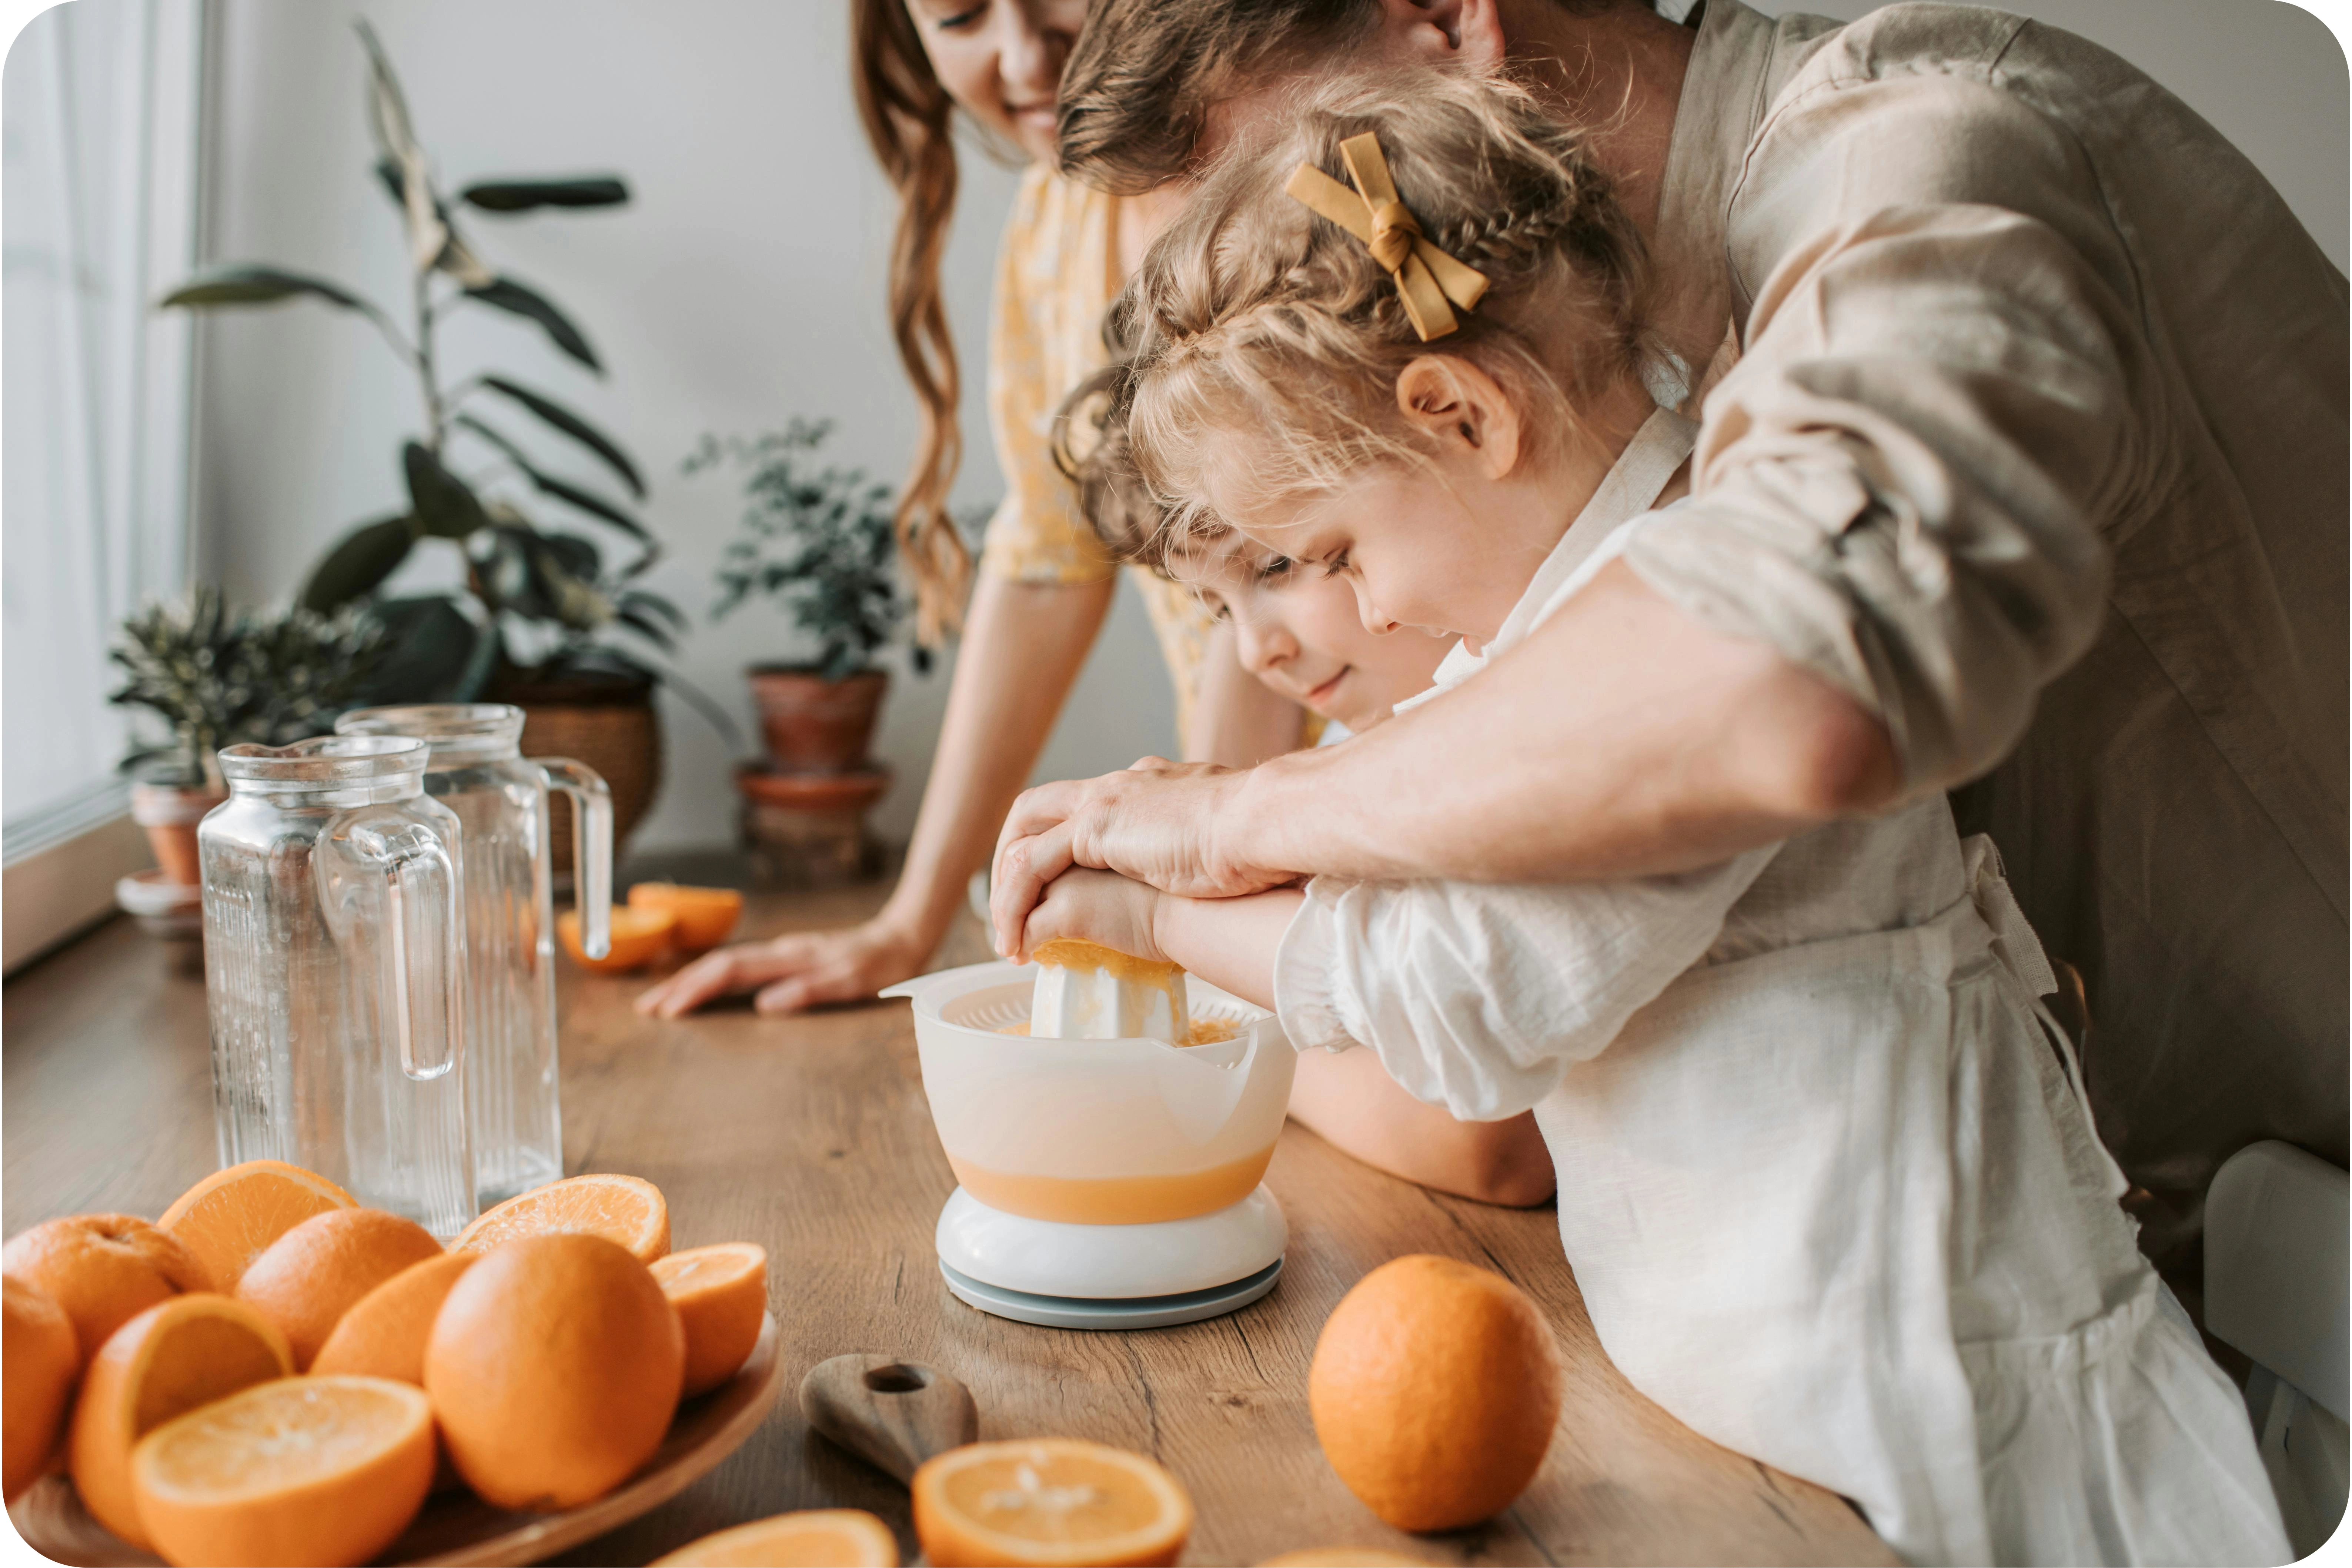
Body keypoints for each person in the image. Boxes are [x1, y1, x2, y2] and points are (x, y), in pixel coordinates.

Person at [1014, 76, 2286, 1563]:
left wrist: (1154, 919)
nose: (1363, 607)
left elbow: (1469, 995)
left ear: (1459, 414)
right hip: (1775, 1426)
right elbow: (1416, 903)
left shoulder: (1670, 628)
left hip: (1950, 1425)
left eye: (1337, 554)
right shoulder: (1546, 629)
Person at [637, 0, 1304, 1022]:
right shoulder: (1053, 223)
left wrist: (1209, 892)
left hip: (1366, 836)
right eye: (959, 14)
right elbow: (1045, 560)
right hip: (1252, 876)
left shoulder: (1279, 161)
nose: (1025, 59)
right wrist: (908, 924)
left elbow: (1270, 558)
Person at [1098, 454, 1554, 1203]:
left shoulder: (1512, 728)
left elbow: (1487, 1140)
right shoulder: (1348, 740)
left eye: (1276, 565)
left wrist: (1202, 1030)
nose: (1256, 653)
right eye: (1218, 610)